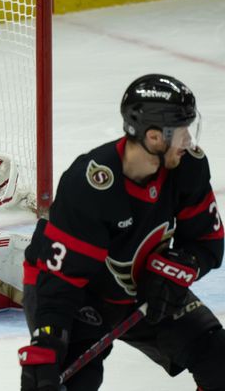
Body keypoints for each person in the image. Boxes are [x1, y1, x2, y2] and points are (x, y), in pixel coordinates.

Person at [18, 74, 224, 390]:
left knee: (218, 359)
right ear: (155, 138)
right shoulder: (90, 184)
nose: (188, 142)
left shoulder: (188, 168)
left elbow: (208, 242)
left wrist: (179, 267)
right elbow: (62, 280)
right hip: (75, 292)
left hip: (143, 289)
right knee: (64, 381)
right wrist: (48, 339)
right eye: (182, 131)